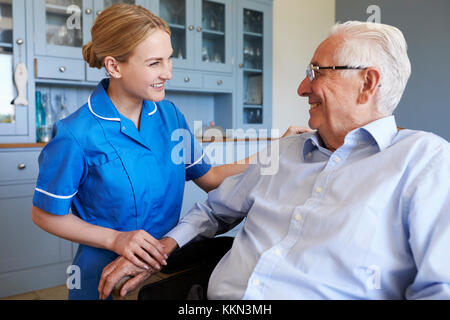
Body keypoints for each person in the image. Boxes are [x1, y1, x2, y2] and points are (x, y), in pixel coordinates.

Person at [99, 20, 450, 300]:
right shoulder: (285, 150)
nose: (301, 87)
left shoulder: (423, 160)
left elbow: (439, 286)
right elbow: (212, 209)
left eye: (316, 72)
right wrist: (162, 248)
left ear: (367, 83)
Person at [31, 4, 307, 300]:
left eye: (169, 59)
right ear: (114, 66)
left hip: (162, 268)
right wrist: (115, 239)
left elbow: (211, 177)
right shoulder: (76, 134)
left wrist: (275, 151)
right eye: (154, 63)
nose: (168, 72)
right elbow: (44, 214)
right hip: (103, 277)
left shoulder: (170, 116)